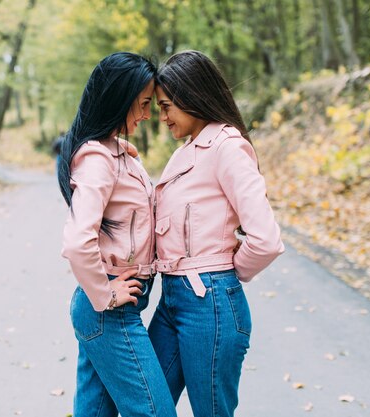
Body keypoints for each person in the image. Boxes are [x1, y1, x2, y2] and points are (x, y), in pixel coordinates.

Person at [148, 50, 285, 417]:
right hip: (172, 299)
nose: (161, 117)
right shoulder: (185, 153)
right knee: (145, 403)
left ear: (192, 97)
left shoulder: (227, 146)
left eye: (167, 106)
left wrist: (224, 271)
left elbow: (266, 239)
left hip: (209, 303)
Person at [58, 52, 176, 417]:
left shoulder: (116, 153)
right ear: (118, 98)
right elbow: (79, 241)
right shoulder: (98, 160)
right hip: (109, 311)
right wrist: (105, 294)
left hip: (110, 308)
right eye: (142, 104)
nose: (146, 114)